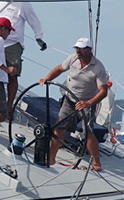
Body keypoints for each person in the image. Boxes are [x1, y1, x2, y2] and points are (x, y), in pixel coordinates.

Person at [38, 38, 108, 171]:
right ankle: (51, 159)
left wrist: (88, 103)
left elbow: (103, 91)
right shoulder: (73, 58)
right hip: (69, 99)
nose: (78, 51)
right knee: (59, 128)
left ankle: (97, 163)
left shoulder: (98, 67)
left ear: (89, 49)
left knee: (88, 132)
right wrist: (47, 78)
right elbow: (59, 69)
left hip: (87, 102)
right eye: (77, 48)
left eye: (81, 48)